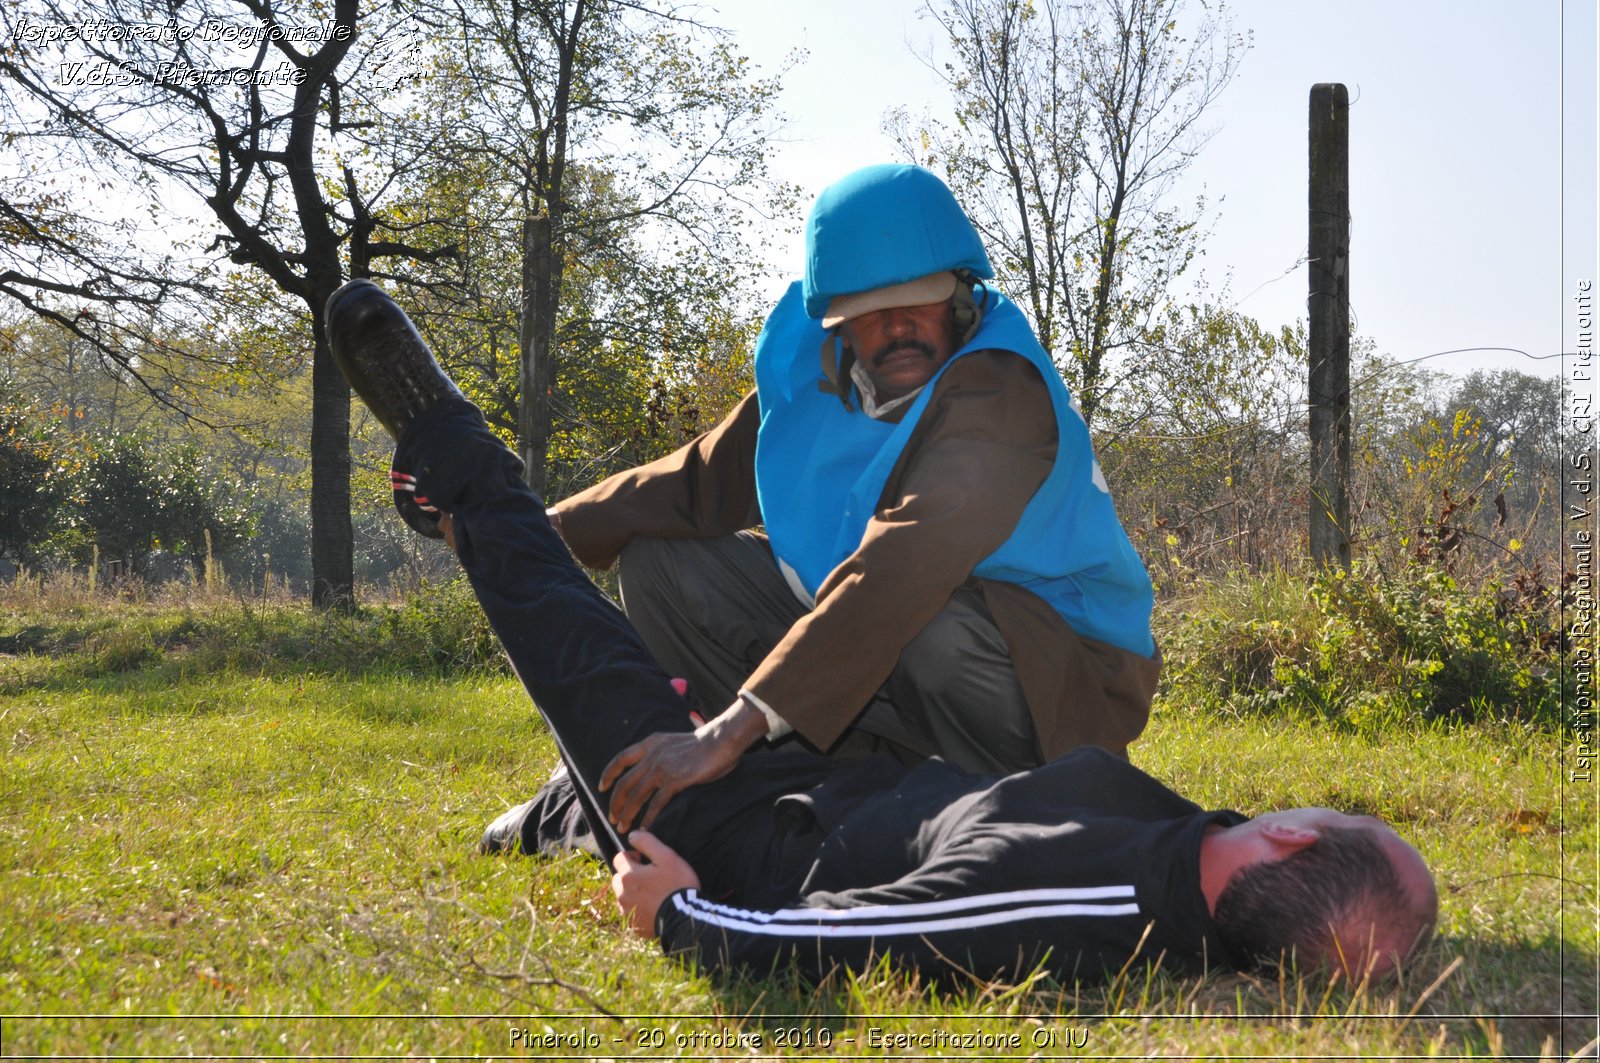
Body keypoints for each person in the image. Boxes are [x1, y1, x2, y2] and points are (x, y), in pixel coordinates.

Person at [323, 278, 1438, 983]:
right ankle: (552, 814)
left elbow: (867, 939)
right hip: (836, 777)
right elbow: (698, 485)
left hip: (744, 832)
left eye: (1344, 816)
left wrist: (682, 922)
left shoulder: (1093, 896)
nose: (900, 327)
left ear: (1294, 841)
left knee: (560, 630)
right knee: (633, 643)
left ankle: (451, 453)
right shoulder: (1177, 843)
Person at [491, 164, 1162, 838]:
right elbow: (698, 480)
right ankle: (743, 784)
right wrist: (525, 531)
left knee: (933, 625)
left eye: (919, 300)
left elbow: (900, 569)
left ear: (960, 297)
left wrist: (733, 727)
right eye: (869, 311)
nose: (897, 327)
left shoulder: (1000, 393)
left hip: (1052, 676)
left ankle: (1012, 812)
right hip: (886, 655)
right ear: (838, 322)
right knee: (661, 563)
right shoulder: (824, 373)